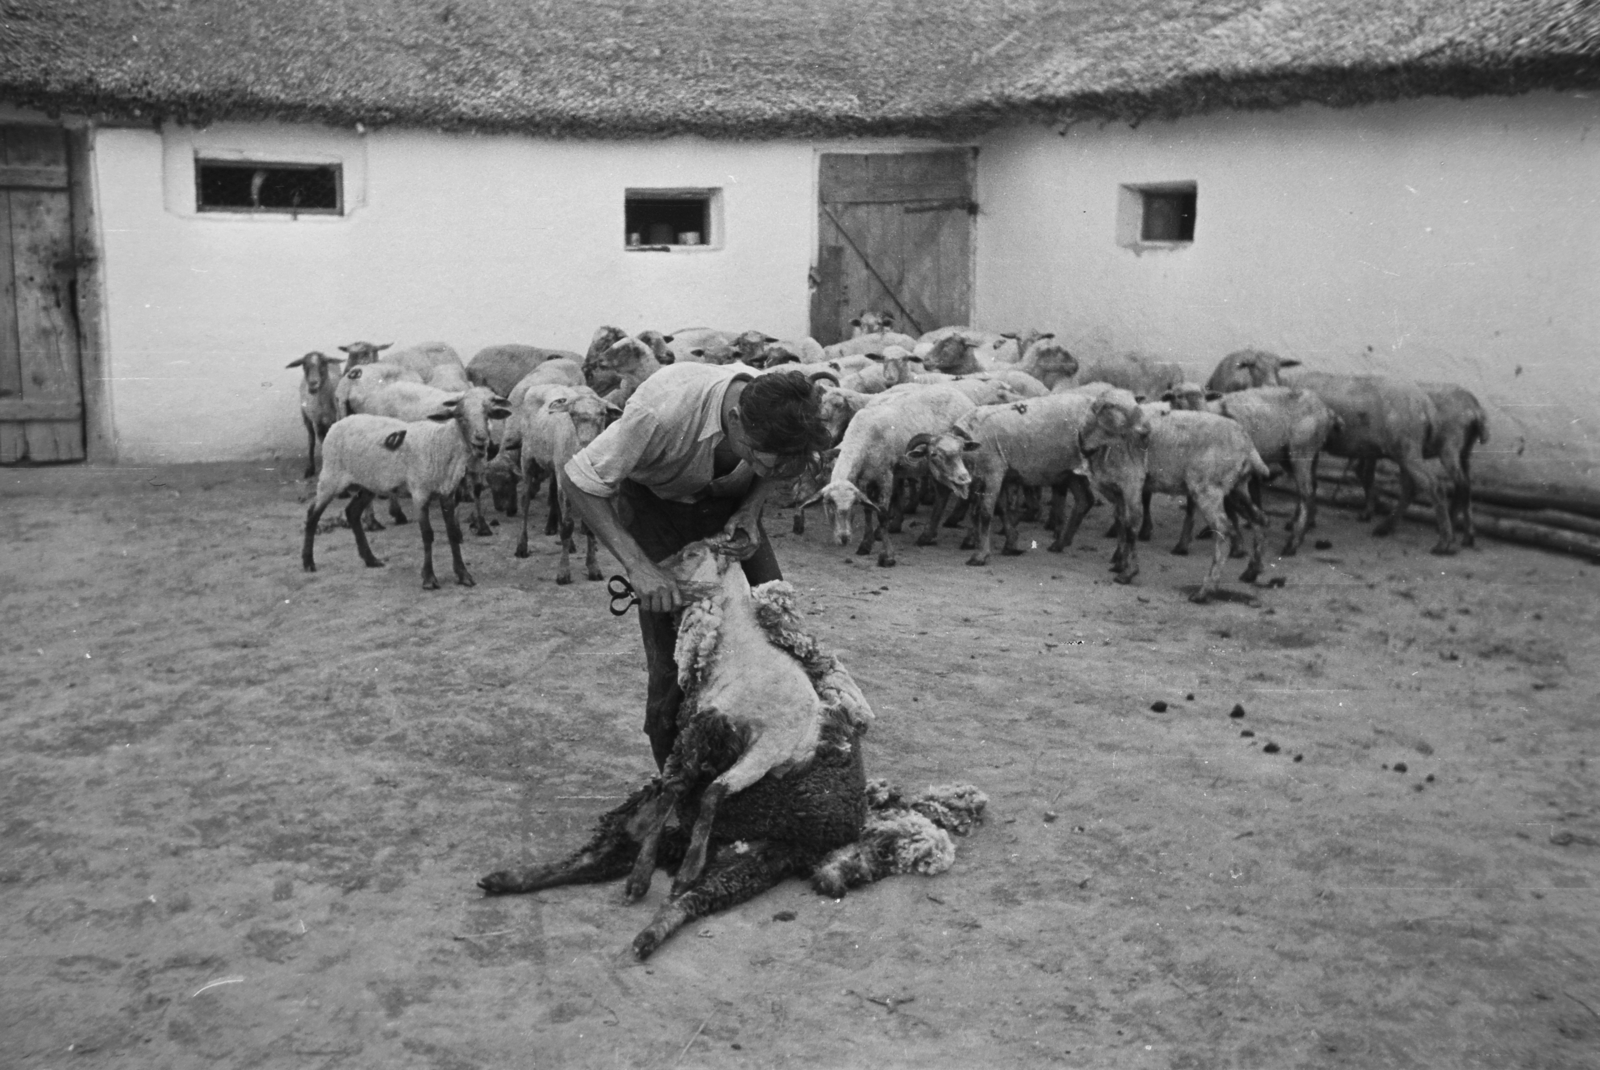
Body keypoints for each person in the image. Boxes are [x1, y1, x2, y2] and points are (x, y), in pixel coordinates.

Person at [561, 360, 832, 769]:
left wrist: (751, 506)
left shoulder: (771, 405)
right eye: (763, 460)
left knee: (779, 625)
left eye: (776, 466)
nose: (769, 471)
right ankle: (678, 787)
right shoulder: (658, 413)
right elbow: (577, 479)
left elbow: (782, 462)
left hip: (728, 503)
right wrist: (640, 567)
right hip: (656, 506)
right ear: (736, 420)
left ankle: (776, 765)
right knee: (677, 662)